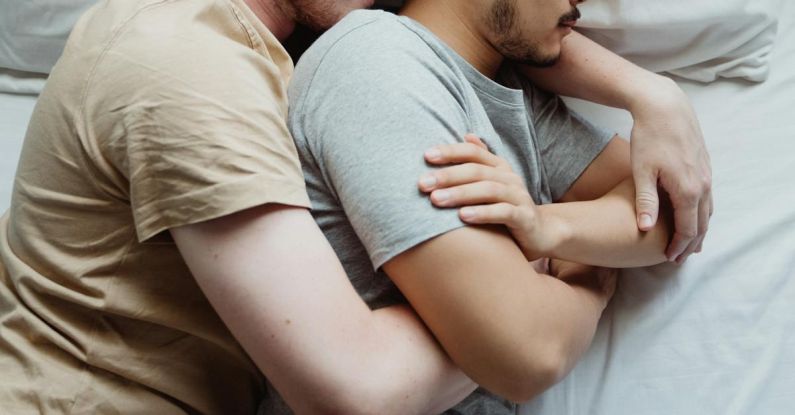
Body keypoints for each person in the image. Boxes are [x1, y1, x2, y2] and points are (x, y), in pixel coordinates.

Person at [0, 0, 710, 414]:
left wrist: (649, 95)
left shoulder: (263, 56)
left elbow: (659, 210)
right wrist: (571, 271)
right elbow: (364, 386)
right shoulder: (188, 65)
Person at [286, 0, 711, 412]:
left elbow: (673, 210)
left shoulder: (511, 93)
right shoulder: (377, 62)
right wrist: (592, 287)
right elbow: (531, 354)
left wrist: (550, 228)